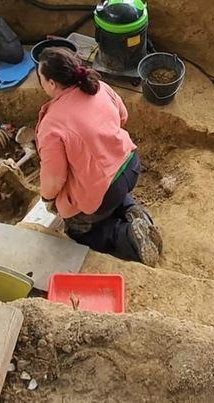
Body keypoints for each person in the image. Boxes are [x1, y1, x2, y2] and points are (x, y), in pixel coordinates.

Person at [35, 46, 163, 265]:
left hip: (104, 191)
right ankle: (133, 210)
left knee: (78, 229)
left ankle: (127, 237)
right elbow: (123, 116)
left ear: (52, 83)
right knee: (109, 185)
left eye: (41, 78)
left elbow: (55, 178)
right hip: (130, 166)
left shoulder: (51, 124)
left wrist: (47, 197)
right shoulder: (99, 87)